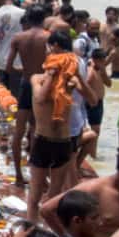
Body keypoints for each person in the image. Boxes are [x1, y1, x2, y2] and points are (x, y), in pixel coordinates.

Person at [27, 30, 90, 223]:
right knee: (35, 190)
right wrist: (51, 74)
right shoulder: (36, 78)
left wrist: (79, 78)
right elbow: (40, 97)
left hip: (62, 141)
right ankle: (30, 226)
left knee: (55, 192)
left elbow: (93, 99)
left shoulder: (69, 83)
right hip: (42, 139)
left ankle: (48, 226)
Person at [7, 6, 50, 187]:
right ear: (44, 19)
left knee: (19, 131)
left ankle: (18, 175)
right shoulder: (48, 37)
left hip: (25, 84)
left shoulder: (19, 38)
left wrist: (23, 71)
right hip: (41, 84)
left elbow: (8, 67)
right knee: (39, 131)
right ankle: (39, 177)